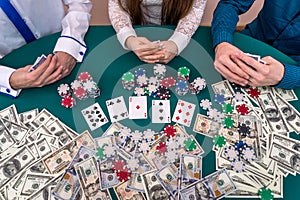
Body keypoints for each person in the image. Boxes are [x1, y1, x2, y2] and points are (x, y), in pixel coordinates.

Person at [0, 0, 92, 98]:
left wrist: (70, 42)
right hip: (14, 69)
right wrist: (10, 79)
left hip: (64, 42)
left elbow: (79, 2)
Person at [211, 0, 300, 89]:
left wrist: (287, 75)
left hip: (293, 66)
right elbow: (231, 3)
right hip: (248, 40)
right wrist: (222, 42)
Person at [109, 0, 207, 64]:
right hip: (138, 25)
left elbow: (196, 9)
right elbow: (117, 6)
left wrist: (176, 42)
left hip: (176, 25)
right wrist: (129, 39)